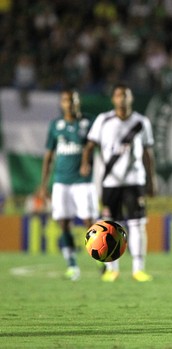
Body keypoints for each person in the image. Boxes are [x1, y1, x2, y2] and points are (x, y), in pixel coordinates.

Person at [80, 83, 156, 282]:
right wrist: (85, 164)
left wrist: (151, 181)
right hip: (110, 182)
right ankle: (111, 269)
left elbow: (148, 153)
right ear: (113, 99)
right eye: (118, 95)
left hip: (134, 180)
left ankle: (138, 269)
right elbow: (90, 145)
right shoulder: (103, 121)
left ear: (131, 98)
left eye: (125, 95)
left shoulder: (142, 122)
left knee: (137, 224)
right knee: (109, 226)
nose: (122, 98)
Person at [37, 89, 99, 281]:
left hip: (83, 182)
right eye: (65, 100)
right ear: (61, 104)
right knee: (63, 223)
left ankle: (100, 258)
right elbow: (48, 156)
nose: (69, 103)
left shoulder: (89, 122)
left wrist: (87, 162)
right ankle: (72, 265)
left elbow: (95, 145)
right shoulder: (56, 125)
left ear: (78, 101)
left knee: (90, 222)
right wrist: (43, 184)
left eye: (72, 100)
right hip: (61, 182)